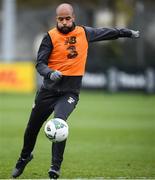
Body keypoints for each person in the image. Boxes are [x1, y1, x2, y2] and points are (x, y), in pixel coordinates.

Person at [11, 3, 140, 179]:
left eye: (67, 18)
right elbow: (39, 64)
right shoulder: (49, 37)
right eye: (60, 19)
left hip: (69, 93)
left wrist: (126, 32)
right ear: (57, 19)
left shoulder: (84, 33)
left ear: (73, 18)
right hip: (48, 92)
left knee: (59, 123)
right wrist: (50, 73)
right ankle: (24, 157)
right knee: (32, 128)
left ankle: (55, 167)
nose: (64, 22)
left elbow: (106, 32)